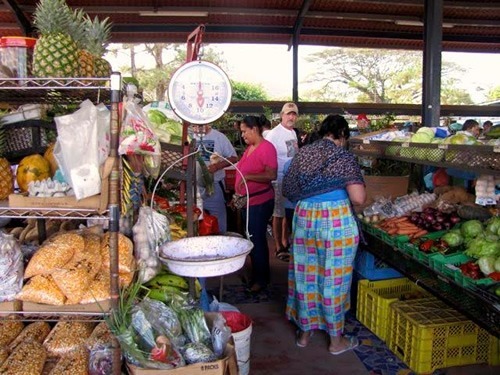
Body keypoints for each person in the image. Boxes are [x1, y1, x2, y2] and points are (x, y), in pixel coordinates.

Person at [282, 114, 366, 355]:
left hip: (305, 218)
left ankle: (305, 334)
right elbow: (358, 198)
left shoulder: (304, 153)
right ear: (341, 135)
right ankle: (336, 341)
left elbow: (288, 190)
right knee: (334, 278)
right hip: (336, 221)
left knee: (305, 274)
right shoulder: (343, 156)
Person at [234, 115, 277, 293]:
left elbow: (271, 175)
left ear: (254, 129)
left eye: (244, 131)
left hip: (260, 202)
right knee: (251, 238)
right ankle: (257, 274)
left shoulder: (267, 148)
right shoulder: (250, 147)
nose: (243, 135)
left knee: (256, 239)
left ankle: (261, 279)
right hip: (248, 201)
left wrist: (249, 177)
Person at [264, 102, 299, 262]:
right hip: (278, 179)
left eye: (294, 114)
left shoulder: (293, 133)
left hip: (291, 178)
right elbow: (267, 155)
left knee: (287, 212)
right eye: (288, 114)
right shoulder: (274, 134)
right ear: (281, 115)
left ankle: (285, 241)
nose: (291, 117)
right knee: (278, 213)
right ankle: (279, 246)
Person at [192, 124, 238, 234]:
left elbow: (233, 157)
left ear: (209, 123)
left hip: (215, 185)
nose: (198, 128)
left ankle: (220, 242)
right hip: (193, 186)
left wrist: (217, 166)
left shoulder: (219, 137)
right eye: (195, 125)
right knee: (194, 220)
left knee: (218, 220)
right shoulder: (189, 137)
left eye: (201, 124)